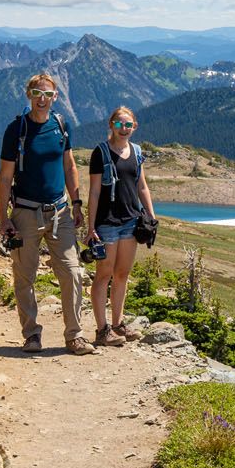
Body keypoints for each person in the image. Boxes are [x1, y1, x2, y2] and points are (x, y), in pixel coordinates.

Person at [0, 73, 95, 355]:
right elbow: (5, 178)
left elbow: (70, 166)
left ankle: (74, 336)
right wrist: (3, 218)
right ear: (28, 94)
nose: (43, 99)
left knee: (72, 272)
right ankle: (31, 335)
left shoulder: (61, 126)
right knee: (24, 277)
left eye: (48, 94)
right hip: (26, 213)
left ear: (56, 97)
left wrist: (76, 203)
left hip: (60, 212)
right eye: (38, 93)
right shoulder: (16, 130)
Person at [85, 106, 156, 347]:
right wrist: (90, 225)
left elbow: (142, 186)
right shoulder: (100, 153)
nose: (123, 129)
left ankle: (117, 324)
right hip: (107, 223)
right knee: (103, 275)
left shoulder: (136, 152)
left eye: (128, 125)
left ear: (134, 127)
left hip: (130, 222)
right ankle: (102, 329)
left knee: (122, 274)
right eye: (119, 124)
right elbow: (94, 192)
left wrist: (150, 216)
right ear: (111, 125)